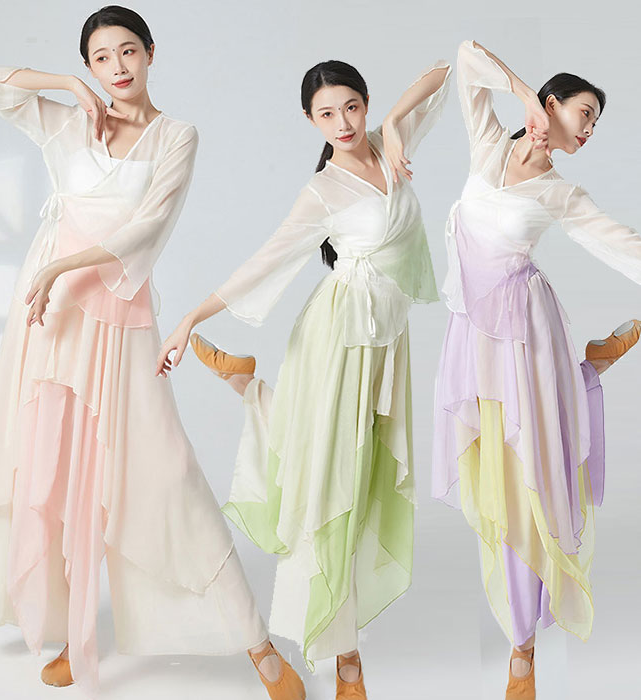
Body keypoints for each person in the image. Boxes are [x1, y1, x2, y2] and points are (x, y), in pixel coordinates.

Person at [0, 6, 305, 698]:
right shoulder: (66, 122)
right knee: (56, 470)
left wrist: (62, 266)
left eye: (127, 52)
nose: (116, 68)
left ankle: (256, 642)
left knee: (165, 471)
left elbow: (148, 227)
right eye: (99, 58)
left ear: (150, 52)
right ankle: (74, 632)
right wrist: (65, 84)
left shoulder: (176, 136)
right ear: (88, 67)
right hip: (51, 322)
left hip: (115, 318)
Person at [157, 56, 451, 700]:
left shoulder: (391, 143)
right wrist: (189, 318)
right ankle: (345, 654)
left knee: (365, 476)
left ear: (366, 103)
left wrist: (395, 124)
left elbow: (449, 68)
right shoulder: (322, 191)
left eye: (352, 107)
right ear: (309, 121)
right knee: (332, 483)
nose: (342, 123)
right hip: (339, 335)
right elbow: (263, 261)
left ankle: (249, 387)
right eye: (326, 114)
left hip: (387, 344)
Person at [432, 39, 641, 699]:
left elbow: (621, 242)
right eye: (585, 112)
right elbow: (466, 60)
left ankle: (521, 646)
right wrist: (521, 93)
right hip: (472, 339)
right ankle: (592, 366)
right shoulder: (488, 144)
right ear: (552, 104)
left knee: (527, 479)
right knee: (491, 477)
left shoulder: (560, 192)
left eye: (595, 123)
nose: (590, 128)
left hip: (524, 332)